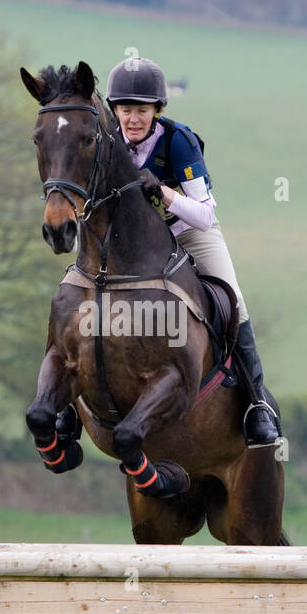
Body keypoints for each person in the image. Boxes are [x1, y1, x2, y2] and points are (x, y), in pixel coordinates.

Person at [105, 57, 281, 447]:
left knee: (233, 301)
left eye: (142, 110)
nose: (133, 119)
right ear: (114, 110)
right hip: (133, 245)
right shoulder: (107, 141)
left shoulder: (177, 141)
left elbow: (204, 214)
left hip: (187, 234)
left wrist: (165, 193)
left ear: (158, 111)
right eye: (126, 110)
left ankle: (257, 406)